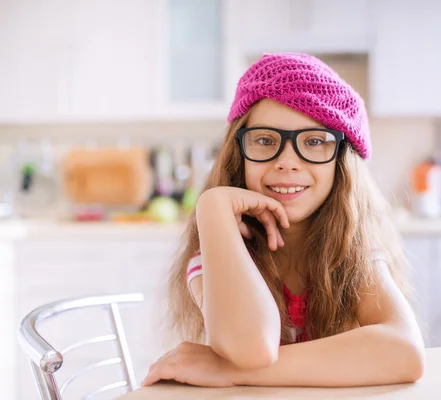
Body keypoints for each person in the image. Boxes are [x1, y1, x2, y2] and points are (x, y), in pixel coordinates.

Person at [141, 53, 425, 388]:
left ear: (342, 163)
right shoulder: (216, 258)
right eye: (265, 140)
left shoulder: (354, 252)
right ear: (238, 152)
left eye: (315, 141)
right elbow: (251, 349)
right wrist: (212, 206)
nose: (287, 162)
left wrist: (230, 371)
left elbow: (404, 352)